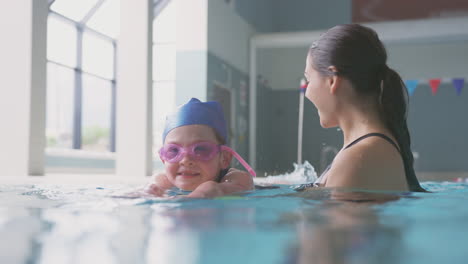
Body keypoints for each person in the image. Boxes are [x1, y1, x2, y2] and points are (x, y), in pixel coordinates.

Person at [298, 23, 425, 192]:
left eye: (309, 80)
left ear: (332, 80)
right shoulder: (366, 150)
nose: (307, 93)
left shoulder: (359, 158)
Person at [145, 98, 255, 198]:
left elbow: (212, 190)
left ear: (224, 158)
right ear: (163, 159)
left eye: (200, 150)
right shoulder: (163, 180)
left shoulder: (239, 178)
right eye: (174, 150)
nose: (185, 161)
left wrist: (207, 189)